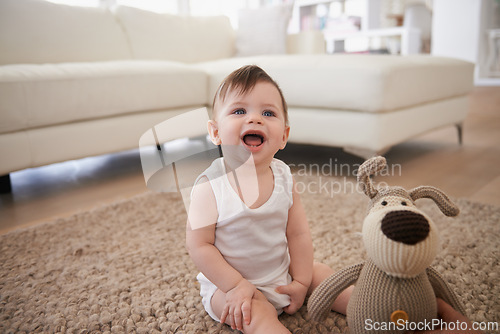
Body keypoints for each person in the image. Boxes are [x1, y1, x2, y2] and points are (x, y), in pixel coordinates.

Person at [185, 65, 351, 333]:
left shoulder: (283, 174)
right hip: (229, 287)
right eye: (239, 111)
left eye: (268, 113)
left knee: (323, 275)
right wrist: (236, 285)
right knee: (257, 313)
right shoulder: (209, 186)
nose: (255, 119)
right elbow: (199, 246)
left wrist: (300, 280)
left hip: (281, 275)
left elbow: (297, 234)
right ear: (215, 132)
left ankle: (377, 313)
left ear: (283, 136)